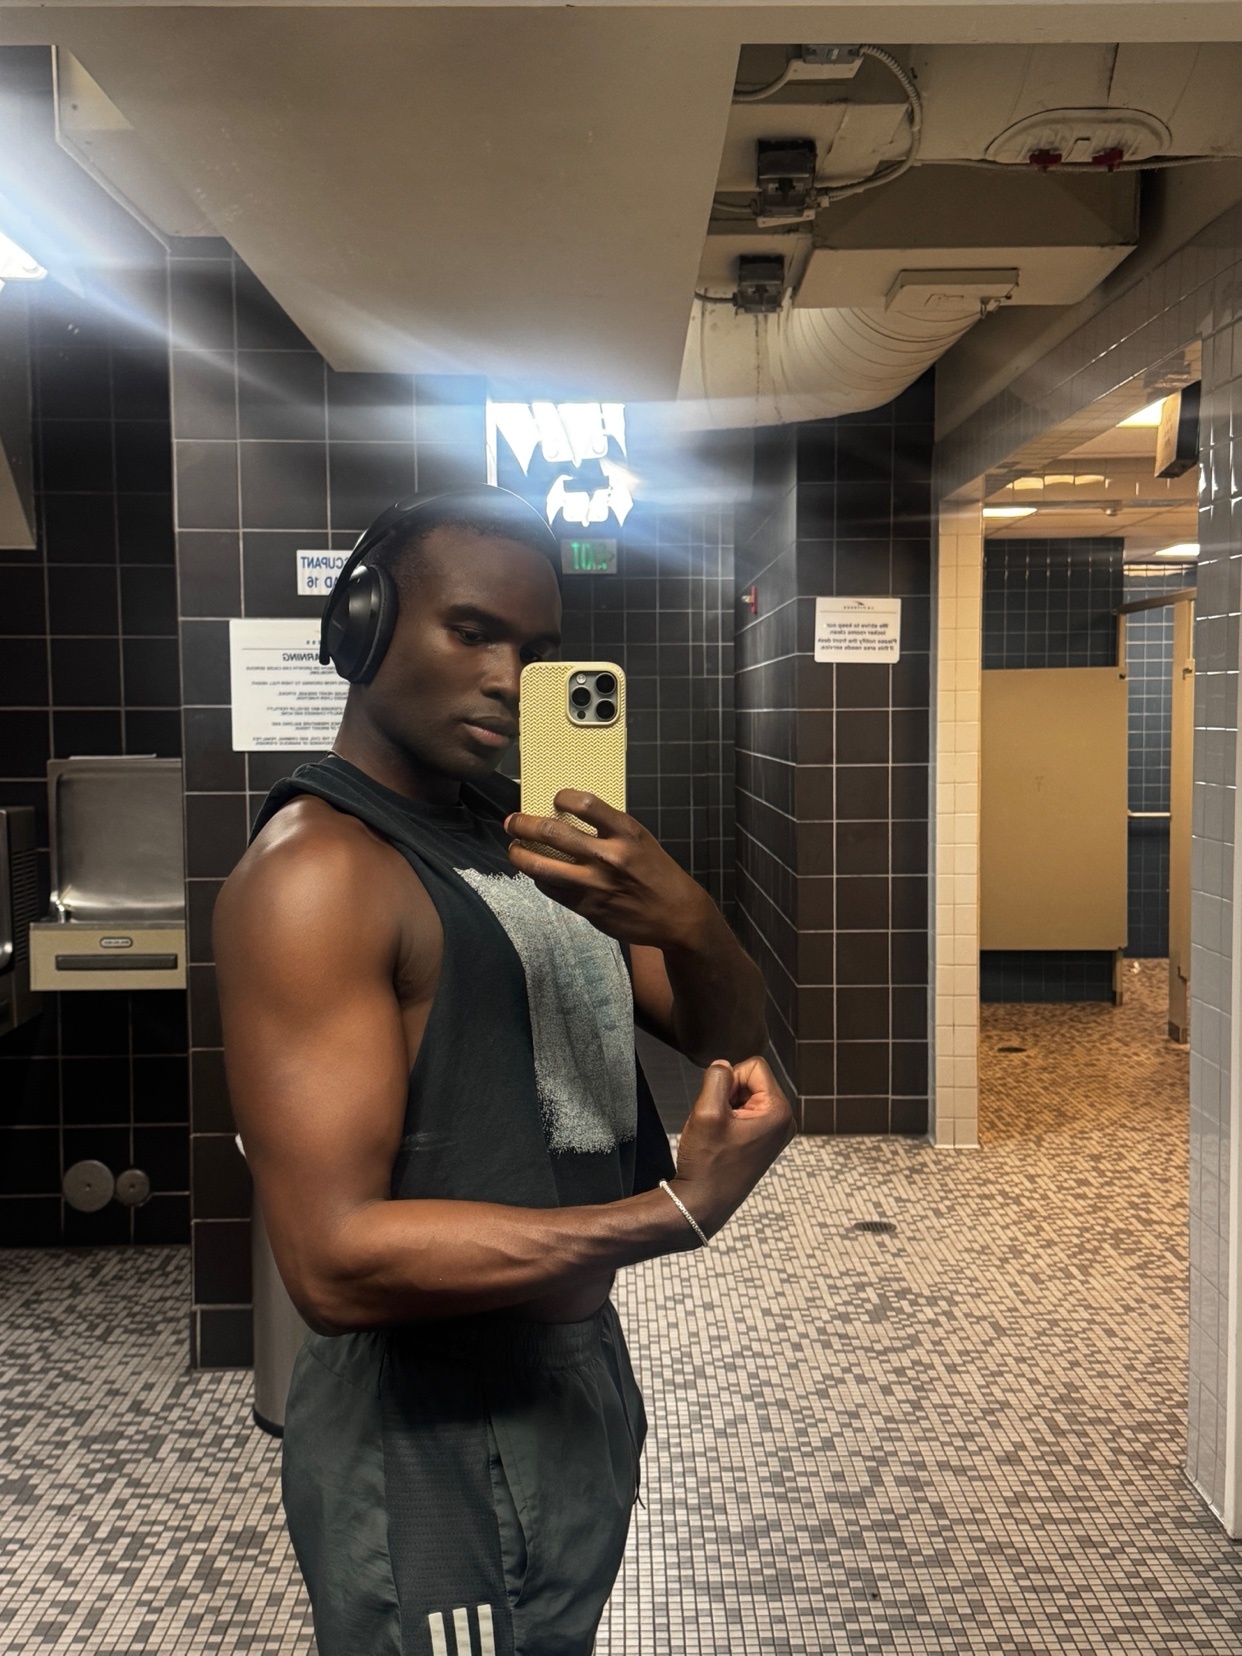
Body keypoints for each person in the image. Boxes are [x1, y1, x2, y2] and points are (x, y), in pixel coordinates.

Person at [213, 486, 795, 1656]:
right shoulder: (318, 876)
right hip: (433, 1425)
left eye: (534, 651)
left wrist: (687, 919)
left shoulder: (521, 840)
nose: (507, 678)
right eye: (472, 631)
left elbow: (721, 1034)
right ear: (365, 626)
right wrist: (672, 1212)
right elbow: (332, 1264)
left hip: (568, 1378)